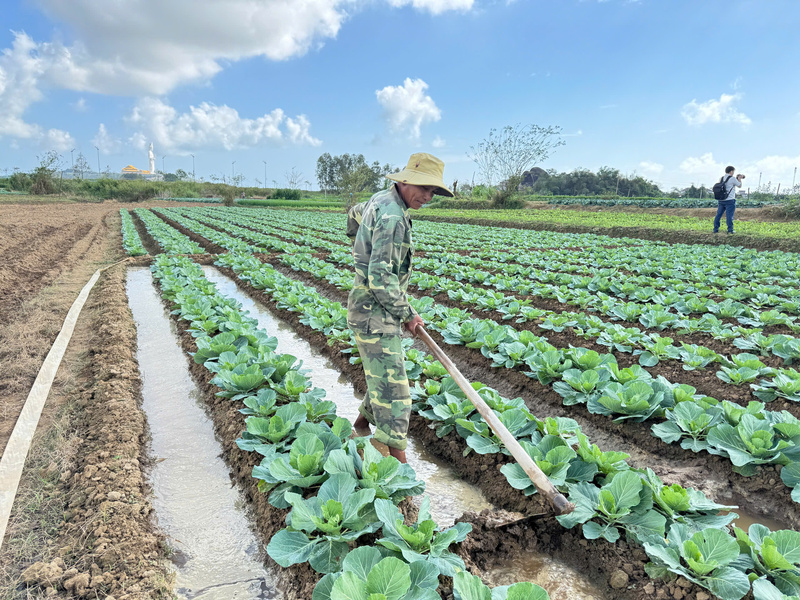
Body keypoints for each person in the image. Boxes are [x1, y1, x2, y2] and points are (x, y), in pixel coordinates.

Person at [347, 153, 454, 463]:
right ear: (404, 181)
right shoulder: (393, 216)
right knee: (397, 396)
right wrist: (408, 313)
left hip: (370, 312)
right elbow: (380, 278)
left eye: (433, 191)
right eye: (423, 187)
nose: (427, 196)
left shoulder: (380, 200)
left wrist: (360, 245)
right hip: (375, 316)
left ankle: (360, 427)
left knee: (383, 376)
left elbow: (354, 215)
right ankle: (401, 475)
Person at [713, 166, 744, 234]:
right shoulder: (732, 179)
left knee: (718, 215)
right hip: (730, 200)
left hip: (721, 200)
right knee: (729, 216)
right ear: (731, 171)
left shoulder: (721, 178)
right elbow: (739, 185)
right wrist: (739, 178)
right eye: (733, 171)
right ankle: (730, 230)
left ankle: (715, 229)